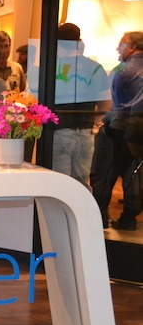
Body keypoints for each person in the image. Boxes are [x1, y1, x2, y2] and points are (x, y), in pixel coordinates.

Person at [91, 31, 143, 230]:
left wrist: (106, 123)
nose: (117, 49)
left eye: (121, 44)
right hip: (137, 132)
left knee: (104, 173)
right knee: (134, 176)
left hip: (117, 130)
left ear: (132, 47)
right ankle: (129, 219)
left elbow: (115, 105)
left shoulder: (122, 70)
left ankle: (100, 217)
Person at [53, 23, 110, 191]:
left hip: (58, 130)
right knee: (82, 184)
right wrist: (95, 124)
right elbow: (105, 103)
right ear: (78, 41)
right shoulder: (94, 68)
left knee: (59, 185)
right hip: (85, 132)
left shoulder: (52, 67)